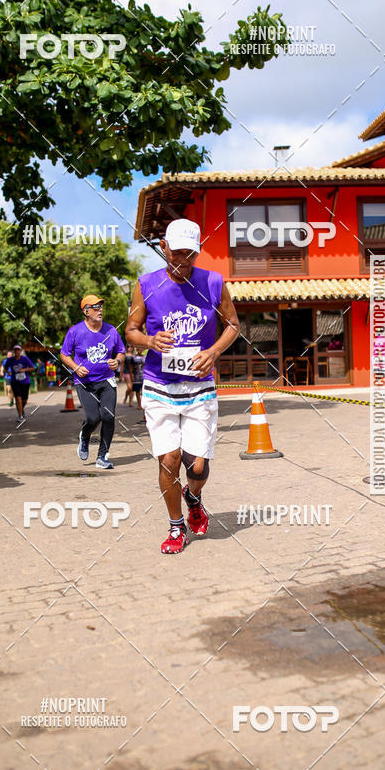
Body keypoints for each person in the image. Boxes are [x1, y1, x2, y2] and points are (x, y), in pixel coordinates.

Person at [126, 218, 240, 554]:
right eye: (176, 253)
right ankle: (176, 527)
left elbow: (233, 324)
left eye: (190, 254)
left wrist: (214, 351)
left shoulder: (213, 282)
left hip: (199, 387)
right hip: (160, 386)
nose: (182, 261)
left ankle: (194, 498)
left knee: (198, 466)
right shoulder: (146, 284)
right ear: (163, 248)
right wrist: (149, 339)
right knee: (169, 460)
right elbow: (130, 330)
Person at [60, 295, 126, 469]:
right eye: (95, 307)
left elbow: (121, 352)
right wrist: (75, 367)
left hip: (106, 381)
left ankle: (102, 456)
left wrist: (117, 362)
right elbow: (64, 354)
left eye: (101, 306)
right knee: (93, 417)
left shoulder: (111, 331)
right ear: (86, 311)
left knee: (108, 416)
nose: (100, 310)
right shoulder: (75, 331)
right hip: (85, 382)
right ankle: (85, 436)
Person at [2, 344, 36, 423]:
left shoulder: (25, 359)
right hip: (15, 382)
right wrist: (8, 372)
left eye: (18, 350)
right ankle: (20, 416)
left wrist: (24, 370)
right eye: (15, 350)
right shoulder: (10, 360)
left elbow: (33, 368)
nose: (17, 351)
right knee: (18, 399)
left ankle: (22, 409)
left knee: (24, 400)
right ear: (14, 351)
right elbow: (5, 368)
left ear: (20, 351)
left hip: (25, 382)